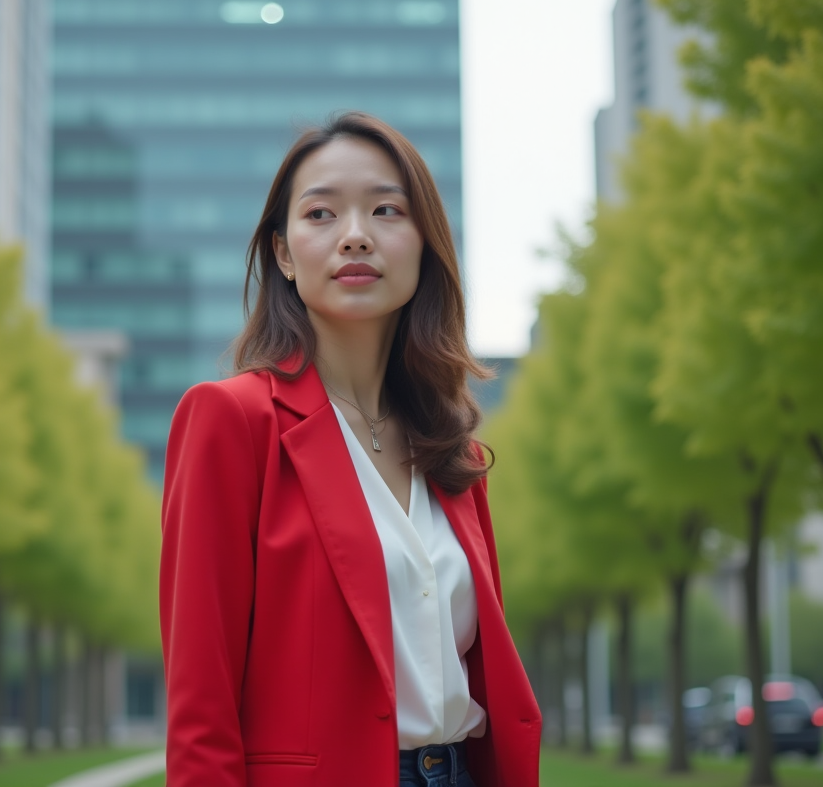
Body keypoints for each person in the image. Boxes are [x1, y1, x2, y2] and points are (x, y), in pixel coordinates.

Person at [160, 112, 541, 787]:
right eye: (321, 214)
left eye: (387, 210)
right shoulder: (230, 420)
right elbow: (201, 698)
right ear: (283, 253)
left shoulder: (453, 453)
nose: (356, 236)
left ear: (424, 244)